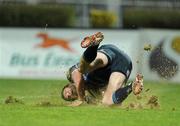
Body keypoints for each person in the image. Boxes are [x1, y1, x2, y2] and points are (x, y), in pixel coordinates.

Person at [61, 32, 143, 106]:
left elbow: (77, 76)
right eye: (69, 97)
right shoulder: (92, 92)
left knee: (84, 69)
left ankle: (94, 44)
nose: (68, 95)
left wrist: (80, 98)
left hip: (108, 54)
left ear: (69, 85)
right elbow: (110, 98)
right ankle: (133, 85)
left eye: (66, 92)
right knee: (107, 102)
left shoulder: (71, 76)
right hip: (122, 65)